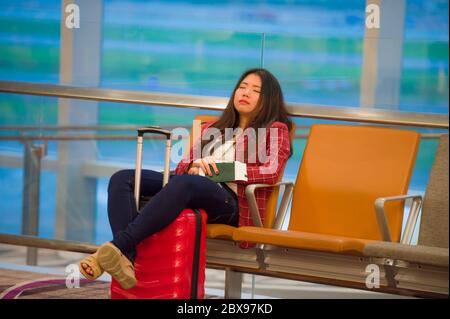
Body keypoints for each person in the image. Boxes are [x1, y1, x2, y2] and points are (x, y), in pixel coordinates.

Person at [79, 68, 293, 289]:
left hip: (232, 201)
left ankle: (116, 247)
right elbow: (183, 166)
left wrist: (223, 170)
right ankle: (126, 257)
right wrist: (194, 164)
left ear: (269, 100)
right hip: (192, 185)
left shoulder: (275, 130)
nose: (245, 93)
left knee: (187, 182)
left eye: (255, 90)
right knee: (123, 178)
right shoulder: (214, 128)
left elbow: (272, 172)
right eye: (242, 87)